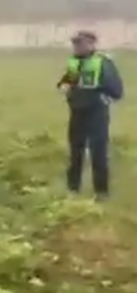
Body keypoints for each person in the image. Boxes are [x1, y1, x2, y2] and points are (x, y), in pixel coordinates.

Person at [56, 30, 124, 200]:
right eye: (75, 43)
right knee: (75, 153)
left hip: (96, 115)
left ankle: (101, 192)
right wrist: (64, 87)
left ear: (92, 44)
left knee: (98, 154)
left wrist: (100, 99)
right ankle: (73, 189)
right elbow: (67, 82)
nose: (76, 46)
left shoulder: (104, 63)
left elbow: (116, 90)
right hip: (77, 113)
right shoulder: (74, 62)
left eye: (80, 43)